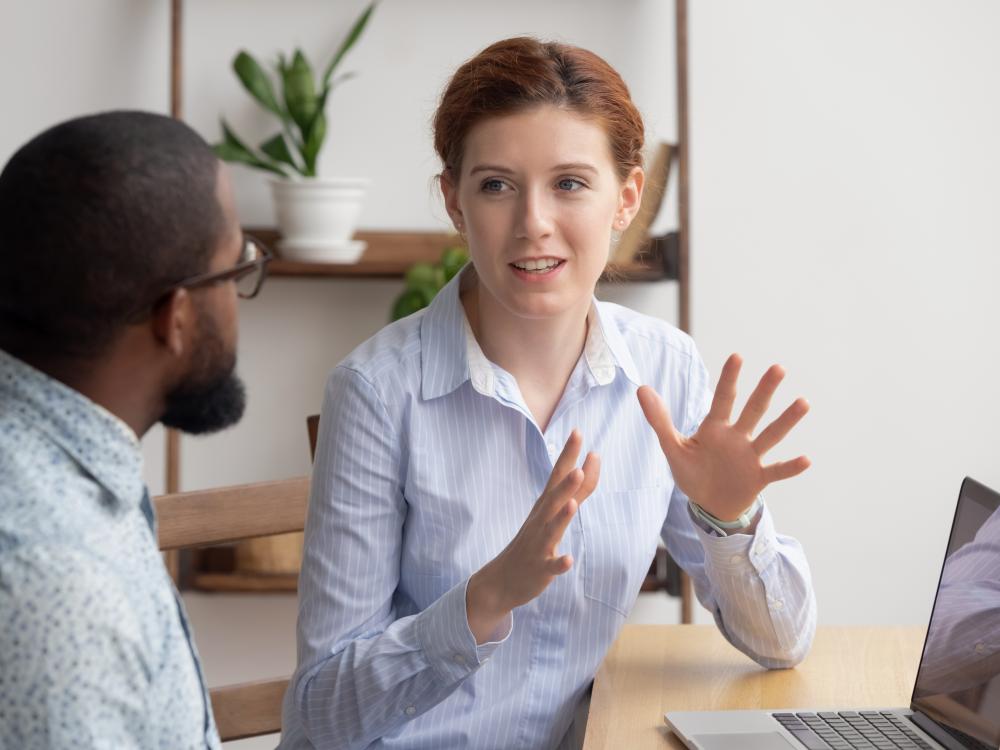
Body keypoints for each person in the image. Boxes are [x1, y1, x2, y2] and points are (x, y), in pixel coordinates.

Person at [279, 37, 816, 750]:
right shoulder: (378, 391)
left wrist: (730, 519)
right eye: (497, 184)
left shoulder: (665, 369)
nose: (533, 221)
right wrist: (484, 599)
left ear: (626, 199)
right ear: (453, 200)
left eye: (569, 183)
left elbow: (782, 645)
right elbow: (321, 711)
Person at [0, 111, 271, 748]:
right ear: (175, 318)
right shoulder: (62, 591)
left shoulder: (67, 470)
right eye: (234, 271)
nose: (239, 296)